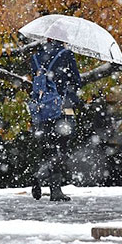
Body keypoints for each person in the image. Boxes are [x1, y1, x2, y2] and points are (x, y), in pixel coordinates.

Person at [30, 38, 82, 202]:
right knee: (62, 148)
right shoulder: (66, 54)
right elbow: (76, 81)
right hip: (62, 108)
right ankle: (54, 189)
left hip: (41, 110)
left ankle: (39, 175)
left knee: (48, 147)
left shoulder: (36, 56)